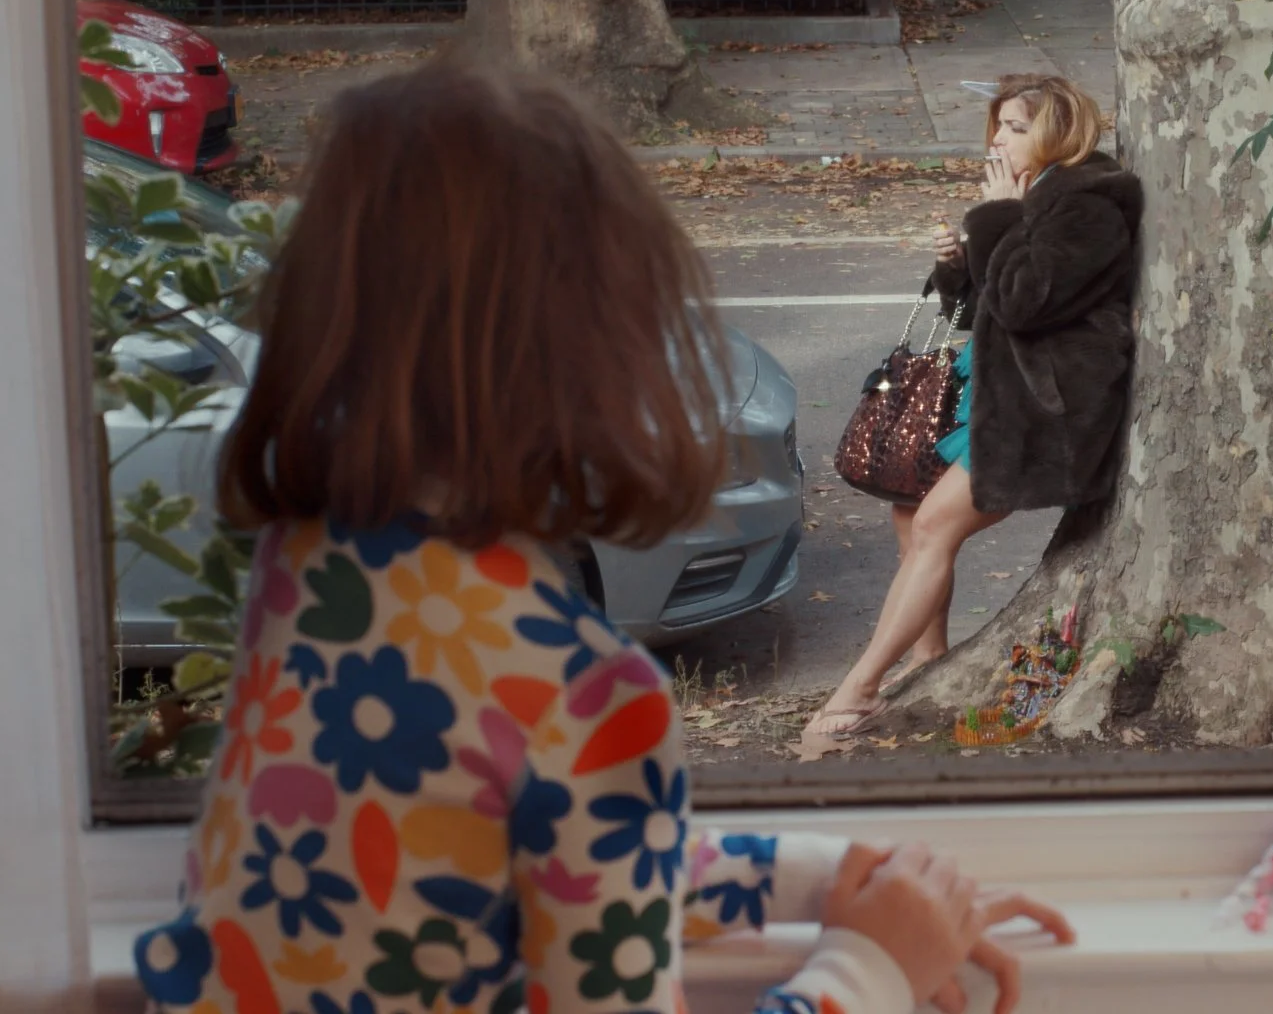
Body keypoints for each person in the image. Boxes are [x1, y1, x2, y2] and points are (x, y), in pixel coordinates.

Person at [131, 58, 1071, 1014]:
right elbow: (583, 830)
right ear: (609, 355)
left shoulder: (308, 579)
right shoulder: (579, 698)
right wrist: (874, 965)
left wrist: (839, 878)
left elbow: (555, 845)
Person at [807, 75, 1144, 737]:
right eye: (999, 125)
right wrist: (957, 268)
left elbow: (1025, 302)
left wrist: (995, 220)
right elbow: (985, 306)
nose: (999, 139)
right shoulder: (1031, 195)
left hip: (1042, 406)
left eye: (1017, 127)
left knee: (935, 527)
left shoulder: (1092, 205)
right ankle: (931, 660)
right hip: (991, 388)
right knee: (911, 517)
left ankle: (859, 686)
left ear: (1060, 133)